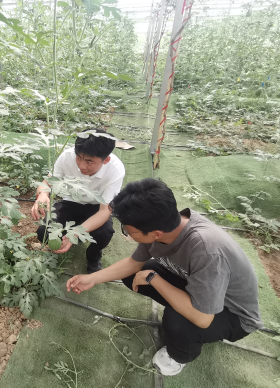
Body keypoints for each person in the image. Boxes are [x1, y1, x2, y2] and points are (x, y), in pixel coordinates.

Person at [66, 179, 263, 376]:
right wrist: (93, 278)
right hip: (200, 287)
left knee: (177, 321)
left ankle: (180, 355)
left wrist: (154, 279)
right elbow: (133, 264)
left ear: (156, 233)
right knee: (136, 274)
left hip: (232, 313)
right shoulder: (164, 225)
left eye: (128, 230)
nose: (128, 234)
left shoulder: (206, 250)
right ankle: (179, 307)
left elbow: (202, 318)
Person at [32, 128, 126, 273]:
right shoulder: (66, 157)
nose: (81, 165)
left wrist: (75, 233)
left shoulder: (115, 170)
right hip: (70, 202)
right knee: (43, 232)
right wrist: (42, 194)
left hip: (97, 207)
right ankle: (73, 234)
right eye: (78, 158)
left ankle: (94, 256)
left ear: (106, 160)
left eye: (89, 161)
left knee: (104, 233)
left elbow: (104, 212)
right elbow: (47, 182)